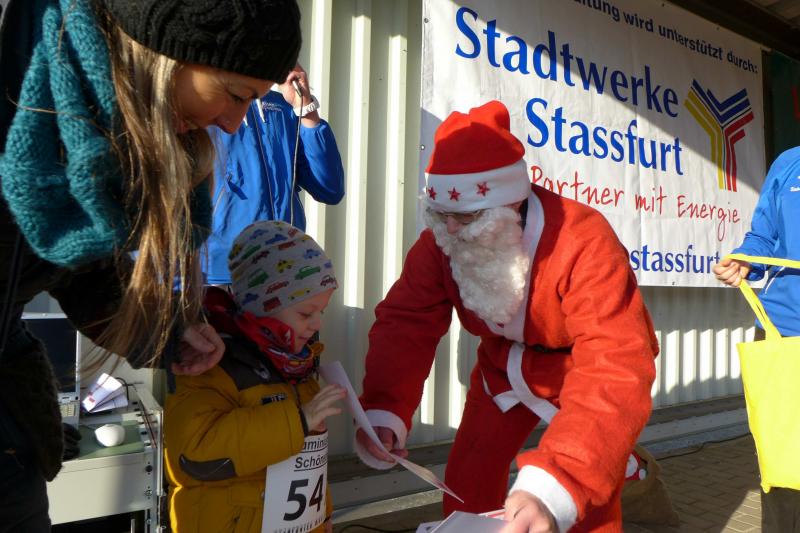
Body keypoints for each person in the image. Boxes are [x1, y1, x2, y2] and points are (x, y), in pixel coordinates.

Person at [0, 0, 302, 530]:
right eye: (236, 95)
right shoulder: (18, 83)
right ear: (165, 51)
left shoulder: (99, 128)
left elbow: (80, 267)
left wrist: (163, 332)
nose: (233, 124)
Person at [355, 101, 658, 532]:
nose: (452, 231)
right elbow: (406, 322)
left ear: (510, 203)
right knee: (469, 476)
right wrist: (384, 408)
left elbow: (615, 359)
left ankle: (616, 465)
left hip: (579, 369)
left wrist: (558, 483)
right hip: (501, 368)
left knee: (584, 498)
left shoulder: (584, 239)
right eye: (442, 215)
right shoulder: (443, 239)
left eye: (466, 217)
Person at [165, 220, 346, 533]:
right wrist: (298, 421)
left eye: (322, 312)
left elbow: (309, 463)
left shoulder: (298, 366)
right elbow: (195, 453)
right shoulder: (210, 362)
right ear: (264, 305)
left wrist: (322, 515)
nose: (317, 324)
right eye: (306, 313)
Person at [713, 147, 800, 532]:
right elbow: (764, 236)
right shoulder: (790, 163)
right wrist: (746, 258)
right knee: (784, 464)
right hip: (782, 329)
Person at [204, 63, 345, 286]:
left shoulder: (282, 107)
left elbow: (329, 189)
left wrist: (305, 107)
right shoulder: (204, 104)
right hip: (218, 273)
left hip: (282, 269)